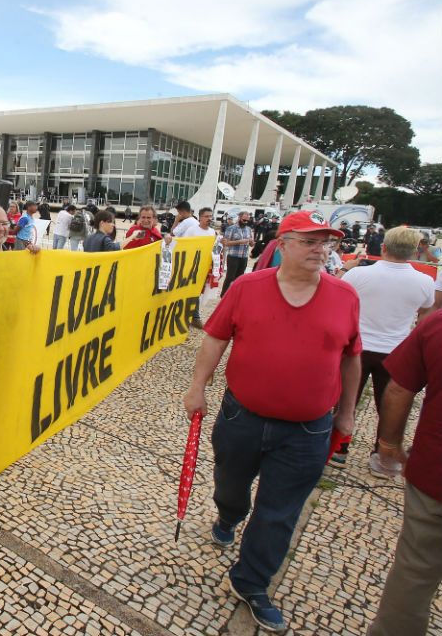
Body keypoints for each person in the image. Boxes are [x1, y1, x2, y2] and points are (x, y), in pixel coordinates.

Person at [183, 210, 361, 634]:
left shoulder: (345, 296)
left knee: (279, 511)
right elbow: (216, 336)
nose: (321, 250)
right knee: (230, 486)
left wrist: (348, 411)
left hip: (307, 429)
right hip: (242, 416)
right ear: (282, 245)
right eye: (310, 241)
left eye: (327, 242)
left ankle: (252, 581)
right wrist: (197, 387)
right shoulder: (247, 287)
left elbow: (352, 356)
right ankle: (228, 516)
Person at [330, 227, 434, 471]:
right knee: (389, 406)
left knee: (346, 400)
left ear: (383, 247)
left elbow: (335, 293)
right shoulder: (424, 282)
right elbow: (425, 312)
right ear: (415, 251)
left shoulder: (359, 275)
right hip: (396, 349)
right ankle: (382, 455)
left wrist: (347, 267)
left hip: (358, 346)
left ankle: (338, 449)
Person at [367, 310, 442, 636]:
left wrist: (389, 444)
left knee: (415, 571)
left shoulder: (438, 324)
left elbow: (399, 390)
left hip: (435, 474)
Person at [221, 210, 254, 295]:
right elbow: (226, 243)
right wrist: (240, 241)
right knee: (230, 277)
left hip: (244, 257)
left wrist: (251, 242)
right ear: (239, 217)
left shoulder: (249, 229)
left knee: (239, 278)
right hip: (233, 256)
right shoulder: (231, 228)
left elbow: (251, 244)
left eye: (247, 220)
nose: (246, 222)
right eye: (244, 220)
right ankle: (224, 295)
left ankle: (234, 295)